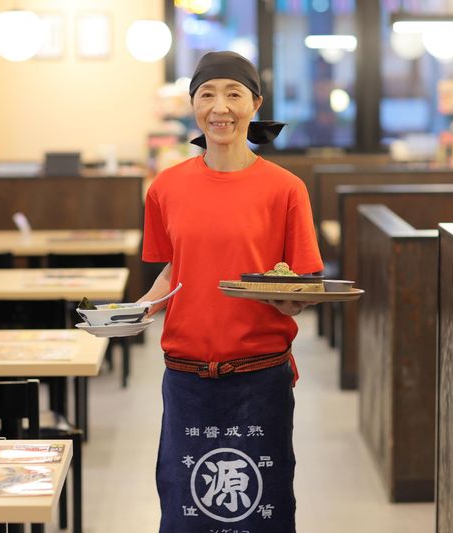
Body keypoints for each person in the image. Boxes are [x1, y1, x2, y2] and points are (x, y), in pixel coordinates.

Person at [138, 51, 323, 532]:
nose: (220, 107)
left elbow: (301, 285)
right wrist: (135, 310)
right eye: (207, 95)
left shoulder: (286, 189)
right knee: (185, 510)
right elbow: (175, 270)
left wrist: (290, 301)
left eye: (233, 94)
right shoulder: (165, 188)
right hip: (187, 377)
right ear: (193, 105)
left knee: (261, 511)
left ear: (255, 103)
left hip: (259, 377)